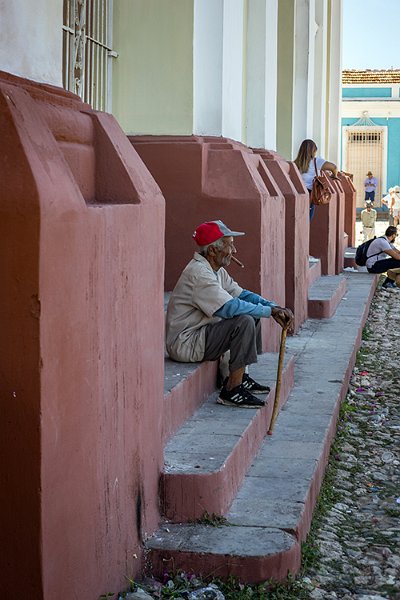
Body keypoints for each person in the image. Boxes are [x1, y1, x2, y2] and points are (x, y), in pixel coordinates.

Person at [166, 220, 294, 408]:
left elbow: (243, 295)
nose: (234, 251)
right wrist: (270, 311)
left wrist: (274, 307)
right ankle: (232, 390)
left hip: (201, 335)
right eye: (229, 246)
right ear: (212, 251)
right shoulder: (199, 274)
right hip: (186, 343)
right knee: (243, 321)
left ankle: (242, 378)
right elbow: (229, 308)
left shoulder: (216, 271)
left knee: (251, 314)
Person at [293, 139, 338, 221]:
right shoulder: (316, 161)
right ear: (313, 151)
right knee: (307, 221)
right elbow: (333, 167)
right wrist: (334, 175)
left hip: (297, 193)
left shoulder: (295, 163)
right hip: (310, 194)